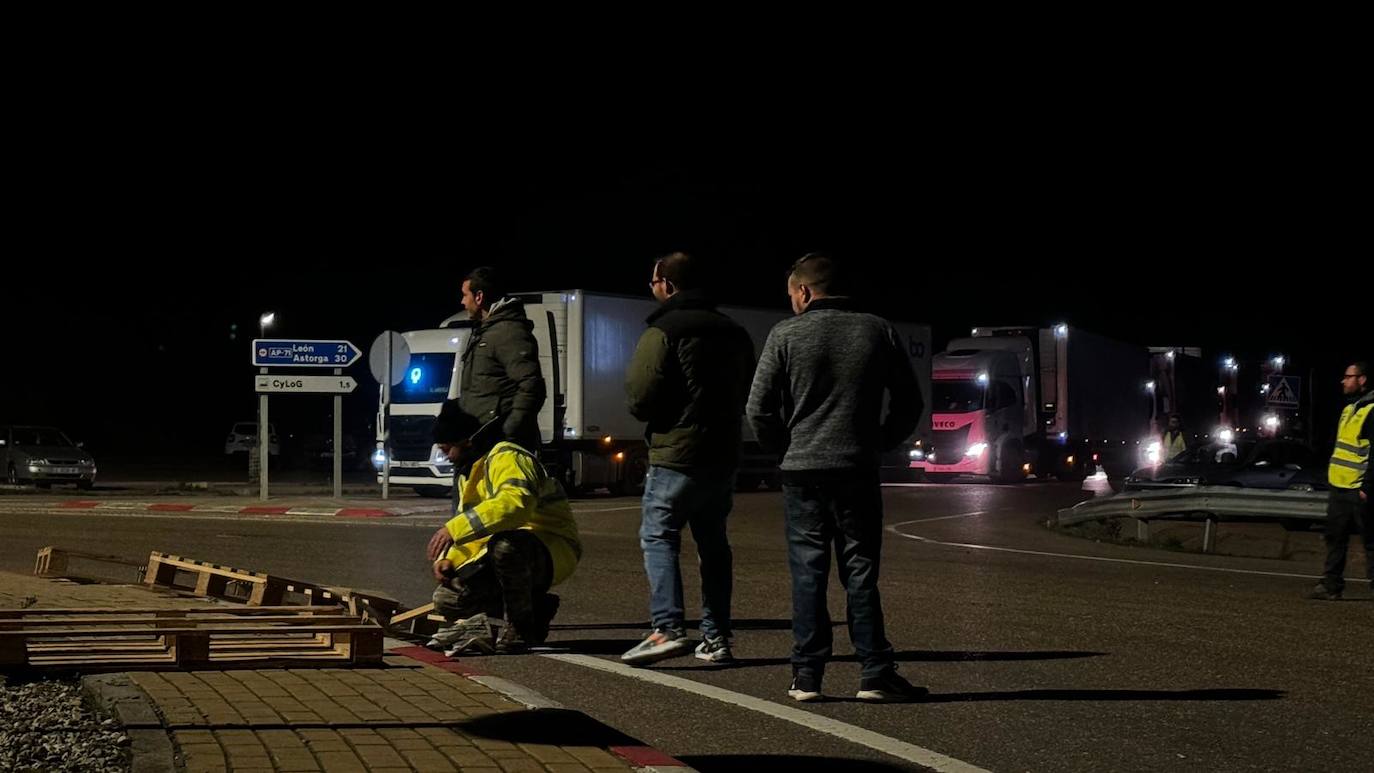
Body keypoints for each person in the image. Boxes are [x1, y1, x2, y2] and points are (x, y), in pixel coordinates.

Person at [745, 253, 926, 703]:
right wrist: (880, 441)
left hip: (802, 472)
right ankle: (875, 674)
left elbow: (757, 408)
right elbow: (909, 402)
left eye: (791, 295)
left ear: (804, 292)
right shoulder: (877, 329)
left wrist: (783, 449)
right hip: (856, 469)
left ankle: (807, 676)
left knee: (808, 572)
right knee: (860, 569)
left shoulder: (785, 334)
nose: (791, 303)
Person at [620, 252, 756, 666]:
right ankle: (716, 638)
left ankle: (667, 628)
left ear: (669, 286)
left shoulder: (663, 330)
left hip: (676, 451)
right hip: (723, 451)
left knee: (659, 535)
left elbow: (641, 396)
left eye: (654, 281)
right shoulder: (735, 332)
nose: (652, 288)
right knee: (713, 543)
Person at [424, 400, 581, 654]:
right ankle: (535, 608)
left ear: (467, 441)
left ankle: (521, 627)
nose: (445, 455)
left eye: (447, 448)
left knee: (505, 546)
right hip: (513, 551)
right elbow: (477, 529)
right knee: (447, 600)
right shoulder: (471, 471)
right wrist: (450, 560)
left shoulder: (508, 457)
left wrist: (453, 529)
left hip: (551, 546)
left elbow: (514, 506)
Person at [457, 266, 546, 452]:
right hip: (481, 443)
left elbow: (531, 385)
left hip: (500, 447)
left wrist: (509, 431)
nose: (462, 301)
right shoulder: (486, 332)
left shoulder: (508, 332)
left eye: (465, 295)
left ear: (479, 297)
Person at [1306, 361, 1373, 601]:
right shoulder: (1349, 409)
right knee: (1335, 537)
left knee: (1371, 542)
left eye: (1348, 376)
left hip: (1360, 489)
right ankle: (1331, 585)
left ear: (1362, 380)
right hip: (1340, 487)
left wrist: (1367, 486)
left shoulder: (1371, 410)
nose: (1343, 381)